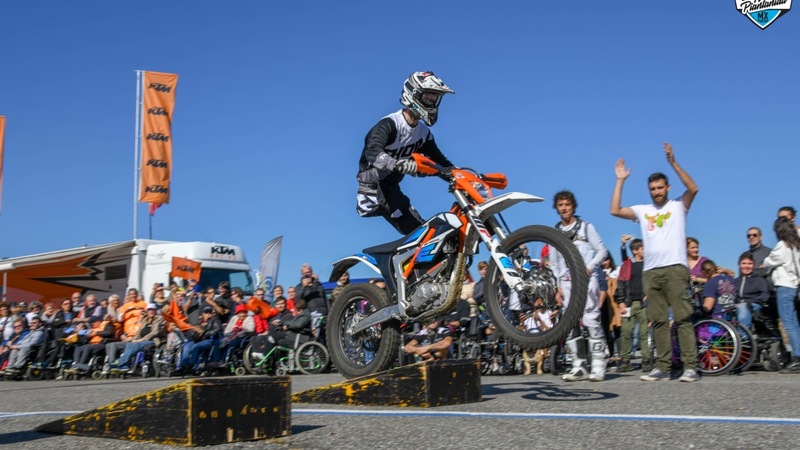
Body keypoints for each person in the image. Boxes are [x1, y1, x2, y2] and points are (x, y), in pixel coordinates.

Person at [610, 142, 700, 382]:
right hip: (651, 271)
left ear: (668, 187)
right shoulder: (643, 210)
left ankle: (690, 366)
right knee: (658, 321)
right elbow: (615, 210)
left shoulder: (678, 205)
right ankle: (663, 366)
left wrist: (673, 163)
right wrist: (620, 180)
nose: (657, 192)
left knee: (681, 317)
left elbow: (694, 187)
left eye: (660, 187)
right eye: (653, 188)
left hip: (675, 268)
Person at [356, 71, 456, 235]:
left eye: (434, 99)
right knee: (419, 232)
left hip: (392, 187)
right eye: (428, 97)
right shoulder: (390, 124)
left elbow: (440, 161)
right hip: (373, 188)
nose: (431, 102)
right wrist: (397, 164)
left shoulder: (423, 133)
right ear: (414, 94)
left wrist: (459, 174)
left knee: (425, 231)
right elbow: (372, 151)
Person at [550, 190, 609, 382]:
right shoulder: (555, 232)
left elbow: (602, 251)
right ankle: (578, 365)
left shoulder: (585, 227)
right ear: (557, 208)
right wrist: (557, 286)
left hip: (586, 279)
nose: (564, 208)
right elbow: (554, 262)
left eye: (567, 204)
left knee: (591, 319)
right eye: (560, 205)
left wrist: (589, 267)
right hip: (566, 282)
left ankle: (599, 365)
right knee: (570, 323)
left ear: (573, 206)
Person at [762, 217, 800, 373]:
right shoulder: (796, 245)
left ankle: (797, 358)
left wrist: (764, 262)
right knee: (795, 323)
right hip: (794, 286)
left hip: (784, 286)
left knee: (788, 323)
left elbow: (770, 261)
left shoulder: (782, 246)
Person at [616, 236, 651, 372]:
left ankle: (646, 360)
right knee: (626, 332)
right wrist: (621, 302)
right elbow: (621, 285)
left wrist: (649, 294)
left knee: (644, 332)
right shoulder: (627, 265)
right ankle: (625, 360)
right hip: (629, 303)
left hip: (644, 303)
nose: (645, 250)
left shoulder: (648, 264)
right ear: (635, 251)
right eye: (642, 248)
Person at [110, 303, 165, 371]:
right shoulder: (145, 320)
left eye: (153, 310)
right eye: (149, 310)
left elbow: (155, 332)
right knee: (130, 344)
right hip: (142, 341)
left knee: (137, 345)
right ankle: (125, 366)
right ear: (147, 311)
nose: (151, 311)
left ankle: (119, 362)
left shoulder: (159, 318)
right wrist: (134, 339)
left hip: (153, 340)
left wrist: (142, 339)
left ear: (155, 311)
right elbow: (138, 333)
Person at [734, 252, 770, 330]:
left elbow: (765, 295)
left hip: (754, 305)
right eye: (744, 263)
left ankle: (743, 338)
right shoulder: (735, 281)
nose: (747, 266)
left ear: (753, 265)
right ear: (739, 265)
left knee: (743, 307)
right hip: (737, 305)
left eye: (750, 264)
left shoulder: (759, 280)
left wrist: (748, 302)